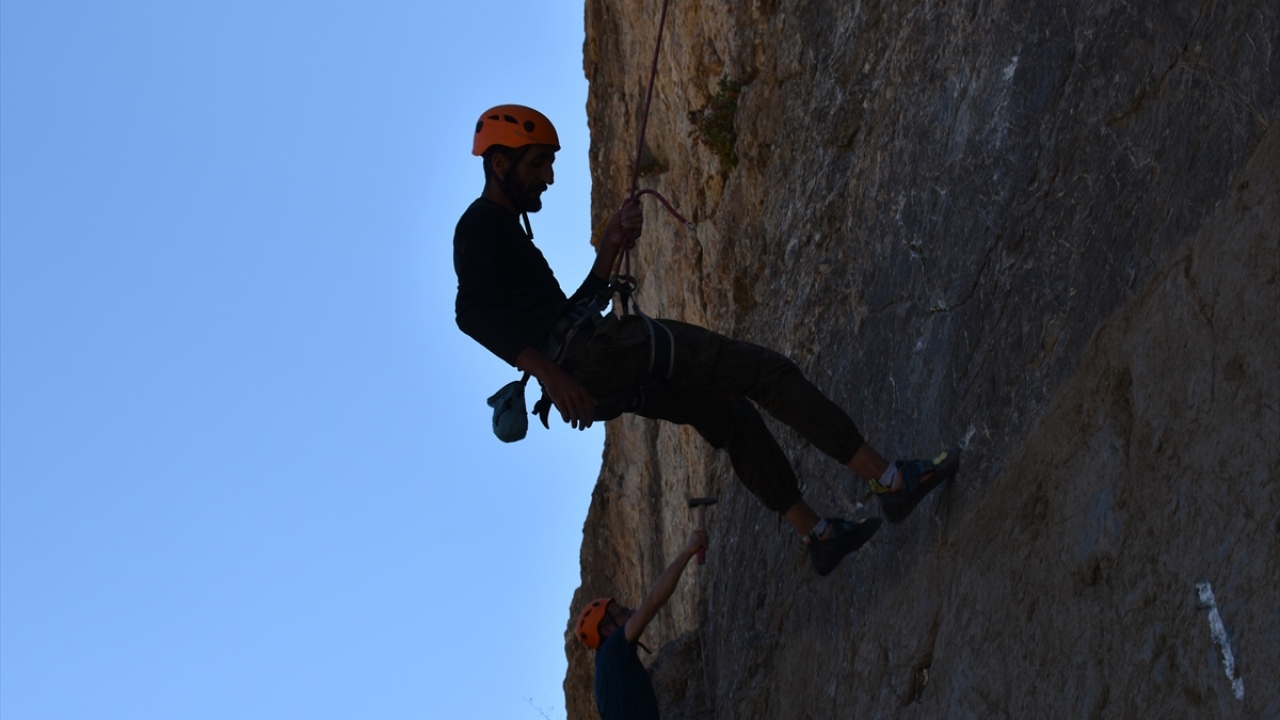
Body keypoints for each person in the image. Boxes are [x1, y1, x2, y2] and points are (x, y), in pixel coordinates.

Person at [453, 104, 960, 576]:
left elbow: (563, 317)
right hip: (603, 357)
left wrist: (610, 245)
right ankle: (890, 480)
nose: (549, 177)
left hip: (598, 370)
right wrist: (552, 375)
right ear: (500, 164)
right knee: (761, 372)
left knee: (728, 415)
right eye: (539, 164)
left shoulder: (505, 234)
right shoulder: (479, 225)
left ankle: (818, 534)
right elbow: (470, 312)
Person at [575, 527, 708, 720]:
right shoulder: (611, 651)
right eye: (622, 612)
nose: (631, 611)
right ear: (608, 629)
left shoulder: (610, 668)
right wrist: (688, 551)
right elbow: (653, 602)